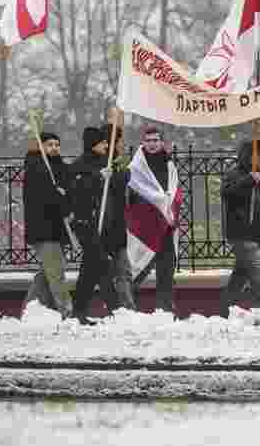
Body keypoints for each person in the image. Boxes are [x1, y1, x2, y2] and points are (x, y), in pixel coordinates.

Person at [69, 125, 135, 324]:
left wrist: (118, 172)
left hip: (105, 223)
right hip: (87, 223)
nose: (107, 145)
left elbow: (119, 184)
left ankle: (78, 311)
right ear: (93, 144)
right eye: (103, 142)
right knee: (101, 265)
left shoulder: (106, 162)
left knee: (89, 271)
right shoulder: (80, 165)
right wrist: (98, 178)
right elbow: (77, 190)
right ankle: (116, 309)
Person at [219, 139, 260, 317]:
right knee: (258, 273)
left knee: (239, 277)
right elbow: (227, 193)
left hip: (255, 234)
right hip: (241, 234)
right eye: (257, 154)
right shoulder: (235, 173)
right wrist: (248, 181)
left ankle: (224, 309)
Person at [22, 131, 74, 318]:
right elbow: (47, 197)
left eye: (57, 144)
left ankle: (30, 308)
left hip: (57, 228)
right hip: (43, 228)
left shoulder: (59, 167)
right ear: (41, 147)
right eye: (49, 144)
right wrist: (59, 195)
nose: (54, 148)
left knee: (47, 272)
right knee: (56, 272)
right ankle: (67, 312)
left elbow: (68, 190)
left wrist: (64, 195)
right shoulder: (36, 167)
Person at [129, 125, 179, 314]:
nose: (152, 144)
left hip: (165, 224)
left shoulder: (169, 164)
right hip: (144, 227)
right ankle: (127, 304)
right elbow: (131, 194)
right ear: (142, 142)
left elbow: (176, 191)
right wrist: (155, 201)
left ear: (161, 142)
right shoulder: (136, 167)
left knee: (166, 268)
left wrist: (169, 204)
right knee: (139, 266)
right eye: (148, 140)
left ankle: (165, 306)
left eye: (155, 140)